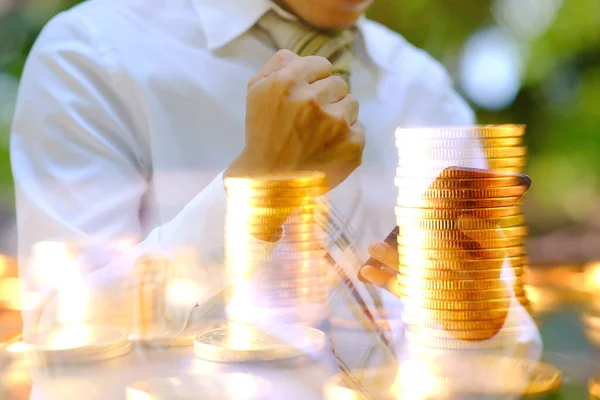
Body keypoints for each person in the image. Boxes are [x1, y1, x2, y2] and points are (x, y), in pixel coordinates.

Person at [11, 0, 484, 397]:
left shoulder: (425, 89)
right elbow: (62, 359)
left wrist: (468, 317)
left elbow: (501, 347)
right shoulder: (92, 54)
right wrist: (257, 195)